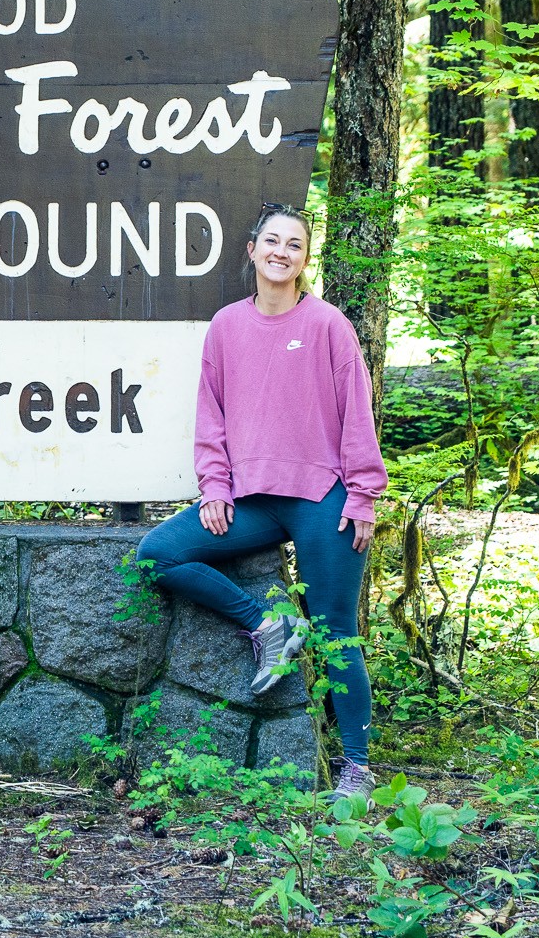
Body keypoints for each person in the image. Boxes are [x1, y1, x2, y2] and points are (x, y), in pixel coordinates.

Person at [137, 205, 386, 796]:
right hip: (251, 500)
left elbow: (357, 414)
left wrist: (363, 496)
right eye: (271, 241)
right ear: (251, 250)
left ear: (305, 258)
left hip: (322, 498)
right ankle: (268, 626)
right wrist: (215, 486)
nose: (281, 251)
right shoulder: (226, 326)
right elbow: (210, 416)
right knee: (157, 554)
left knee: (336, 632)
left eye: (294, 244)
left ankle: (356, 767)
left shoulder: (328, 325)